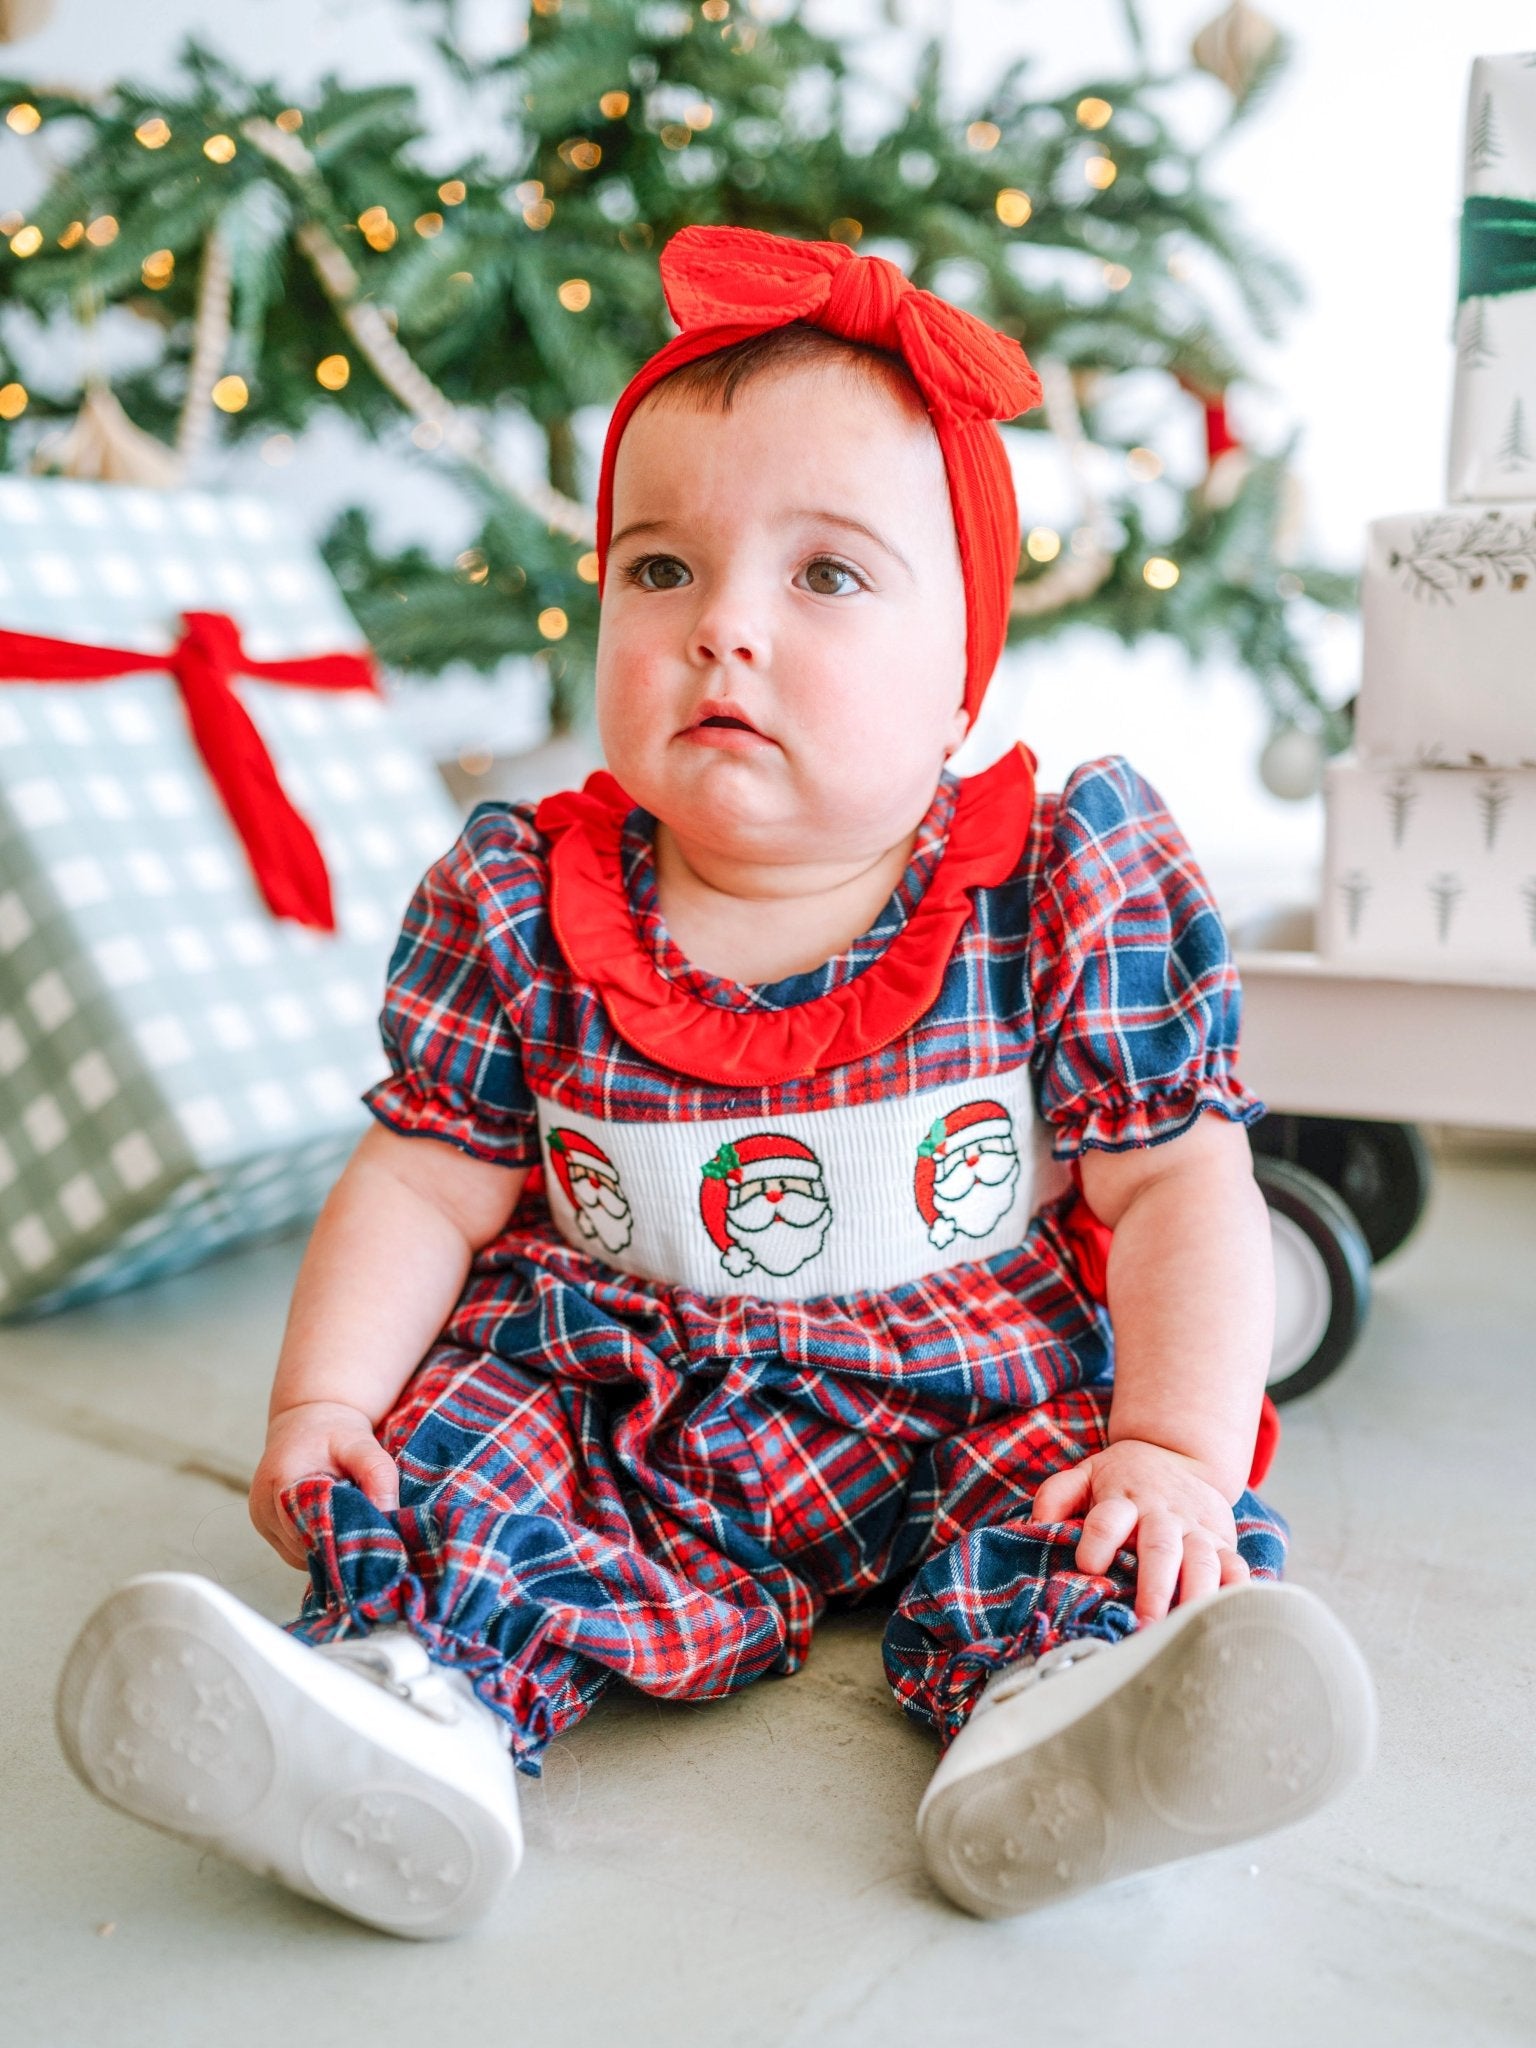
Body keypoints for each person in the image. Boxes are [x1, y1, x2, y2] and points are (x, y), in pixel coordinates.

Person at [55, 224, 1376, 1939]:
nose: (720, 630)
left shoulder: (1057, 879)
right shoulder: (523, 903)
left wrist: (1176, 1448)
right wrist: (321, 1408)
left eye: (825, 577)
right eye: (658, 569)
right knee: (469, 1464)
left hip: (974, 1383)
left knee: (1091, 1512)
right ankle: (402, 1717)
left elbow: (1175, 1182)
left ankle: (1070, 1720)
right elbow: (418, 1180)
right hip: (625, 1383)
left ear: (963, 665)